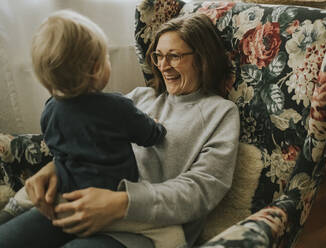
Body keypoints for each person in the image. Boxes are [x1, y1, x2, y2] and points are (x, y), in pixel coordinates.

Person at [0, 12, 240, 248]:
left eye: (174, 56)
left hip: (144, 227)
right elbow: (89, 139)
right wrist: (52, 170)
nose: (163, 66)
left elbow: (203, 188)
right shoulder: (139, 97)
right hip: (79, 200)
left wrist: (122, 202)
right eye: (158, 55)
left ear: (203, 59)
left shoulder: (220, 113)